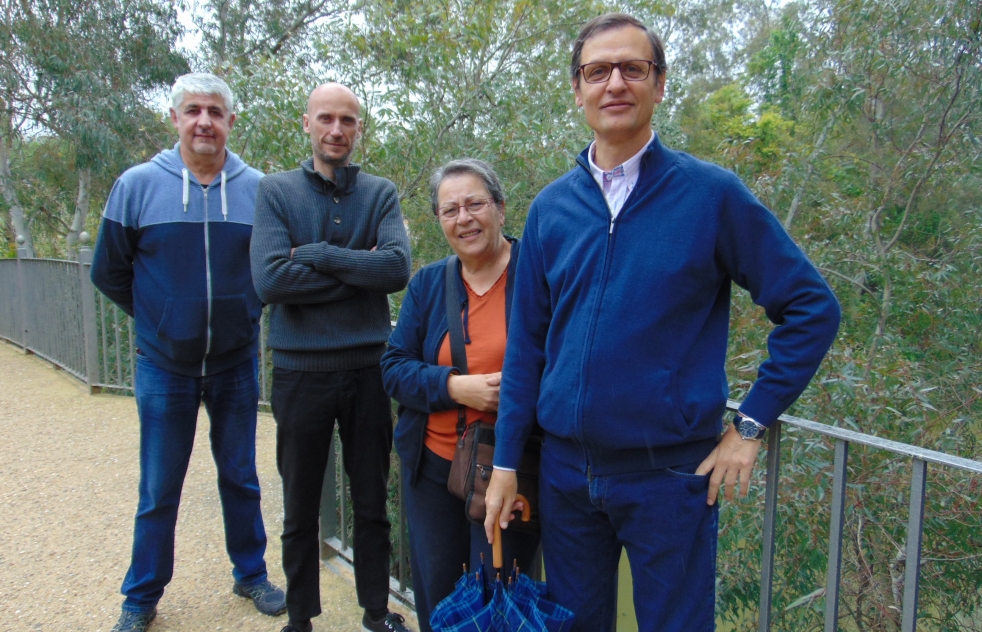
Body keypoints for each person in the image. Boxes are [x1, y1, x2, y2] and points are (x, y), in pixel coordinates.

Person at [482, 13, 841, 632]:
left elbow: (812, 308)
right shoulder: (550, 210)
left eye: (633, 68)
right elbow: (528, 352)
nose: (614, 82)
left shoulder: (711, 196)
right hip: (567, 478)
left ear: (660, 83)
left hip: (671, 480)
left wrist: (749, 425)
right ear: (578, 89)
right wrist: (508, 462)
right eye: (597, 71)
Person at [91, 72, 285, 632]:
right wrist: (159, 321)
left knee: (241, 476)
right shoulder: (136, 185)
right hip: (163, 365)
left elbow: (270, 266)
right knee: (159, 486)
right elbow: (109, 271)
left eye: (215, 111)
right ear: (175, 119)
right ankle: (141, 596)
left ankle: (250, 574)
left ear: (230, 122)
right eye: (193, 110)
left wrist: (243, 314)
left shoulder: (258, 190)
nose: (204, 121)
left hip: (235, 361)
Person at [250, 83, 413, 632]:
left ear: (359, 127)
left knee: (371, 501)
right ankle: (300, 618)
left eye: (347, 120)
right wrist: (356, 269)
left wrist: (317, 257)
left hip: (368, 370)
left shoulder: (380, 193)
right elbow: (271, 279)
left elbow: (395, 270)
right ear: (307, 123)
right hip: (300, 372)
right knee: (299, 508)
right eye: (326, 119)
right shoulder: (275, 192)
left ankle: (374, 611)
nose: (336, 130)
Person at [381, 159, 540, 632]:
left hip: (511, 468)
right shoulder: (430, 285)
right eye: (450, 210)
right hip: (435, 468)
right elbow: (393, 367)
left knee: (498, 595)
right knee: (441, 598)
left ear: (501, 208)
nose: (464, 218)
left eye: (475, 204)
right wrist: (454, 387)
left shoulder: (537, 275)